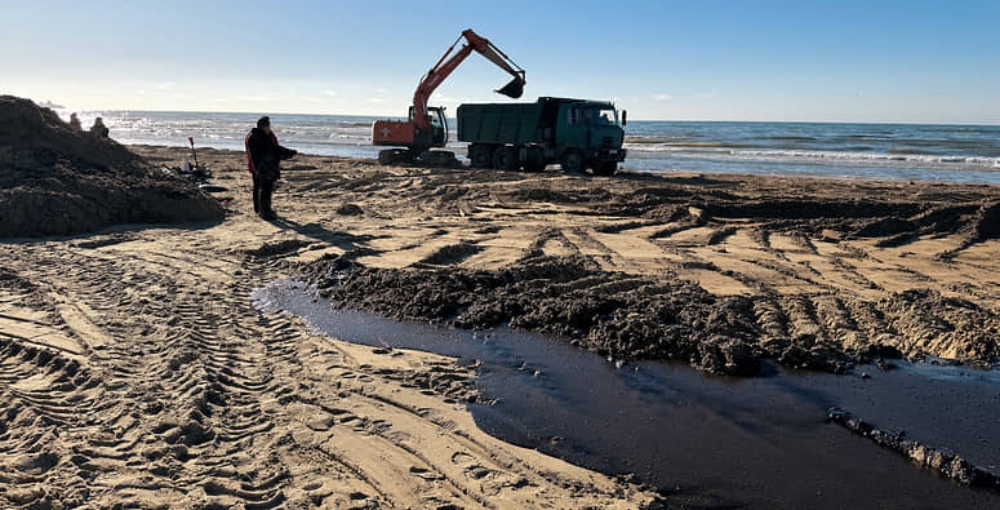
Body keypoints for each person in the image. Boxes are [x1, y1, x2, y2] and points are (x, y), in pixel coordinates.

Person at [245, 116, 296, 220]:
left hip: (260, 166)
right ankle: (264, 211)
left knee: (260, 188)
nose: (269, 128)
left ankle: (260, 210)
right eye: (268, 126)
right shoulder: (259, 137)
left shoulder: (256, 135)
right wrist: (288, 153)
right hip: (263, 167)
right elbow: (273, 149)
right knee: (264, 189)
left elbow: (273, 148)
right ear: (264, 126)